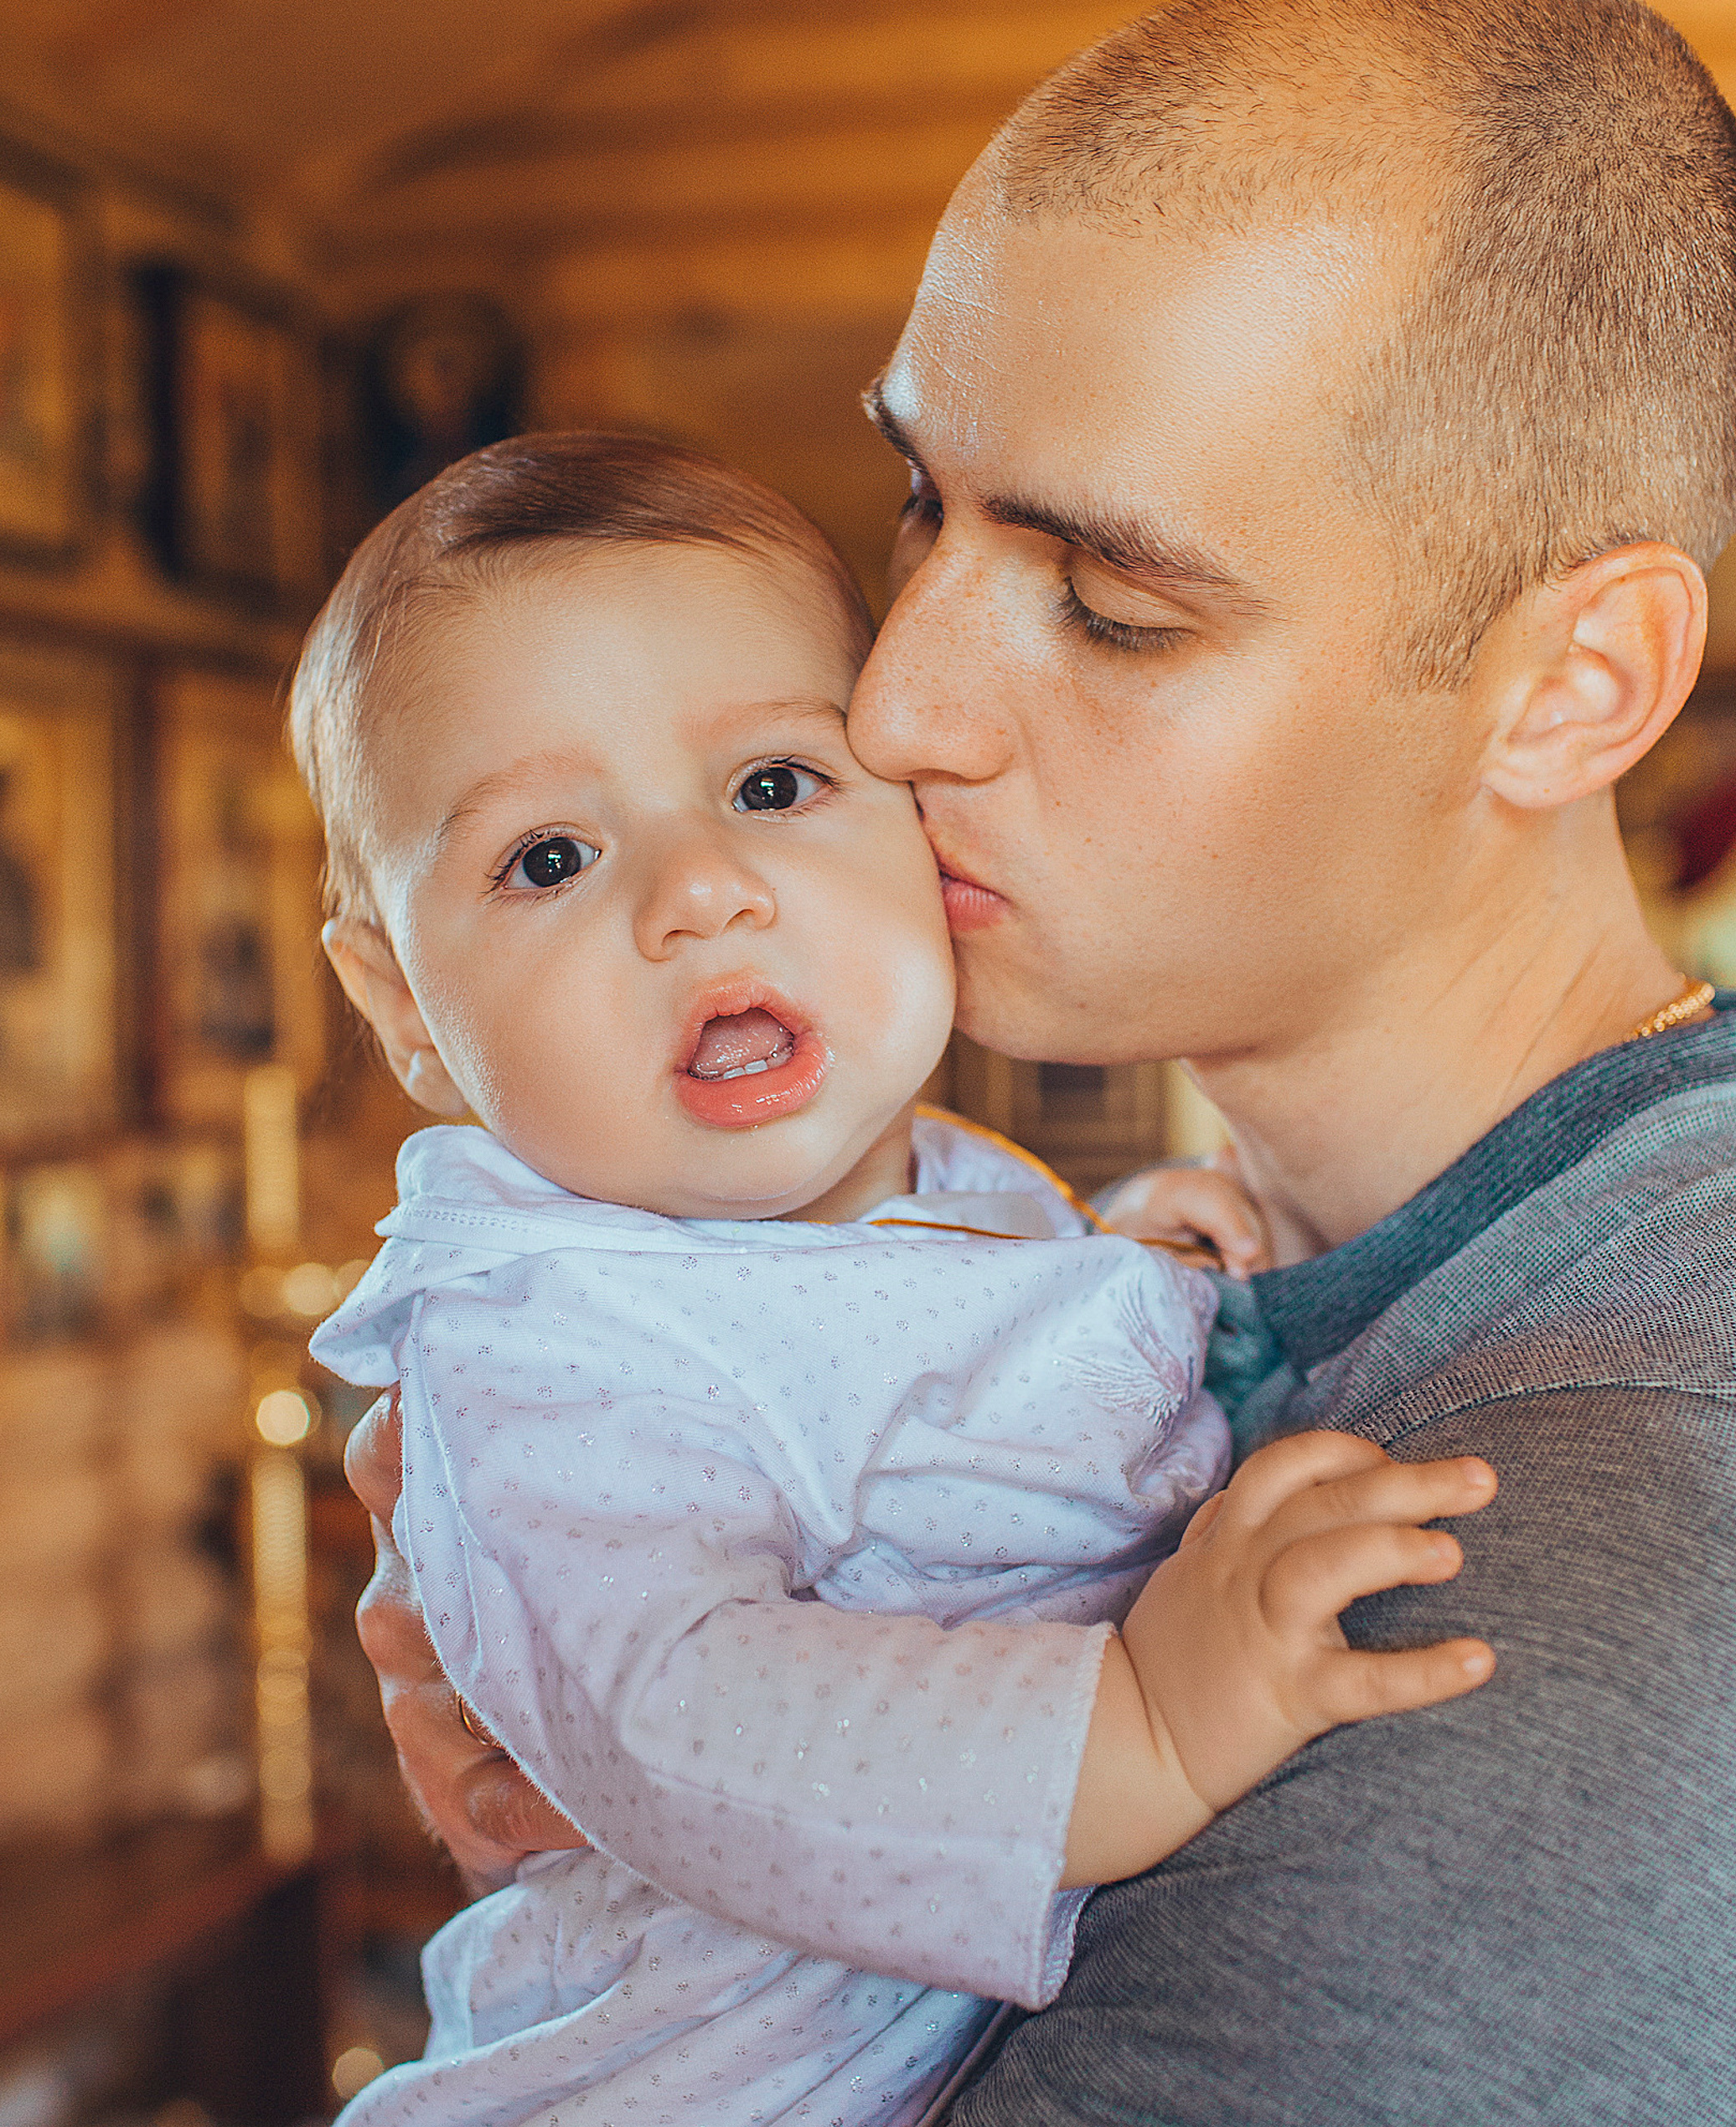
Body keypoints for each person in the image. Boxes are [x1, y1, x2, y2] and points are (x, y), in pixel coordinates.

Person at [348, 0, 1736, 2118]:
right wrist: (651, 1784)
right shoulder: (1222, 1257)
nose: (896, 706)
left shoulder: (1599, 1594)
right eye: (921, 500)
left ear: (1571, 683)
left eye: (1114, 604)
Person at [297, 431, 1498, 2127]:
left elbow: (906, 1367)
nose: (700, 891)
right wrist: (1144, 1724)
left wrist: (1111, 1270)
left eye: (772, 786)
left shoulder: (942, 1183)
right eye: (549, 857)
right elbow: (681, 1713)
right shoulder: (544, 1340)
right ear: (403, 1006)